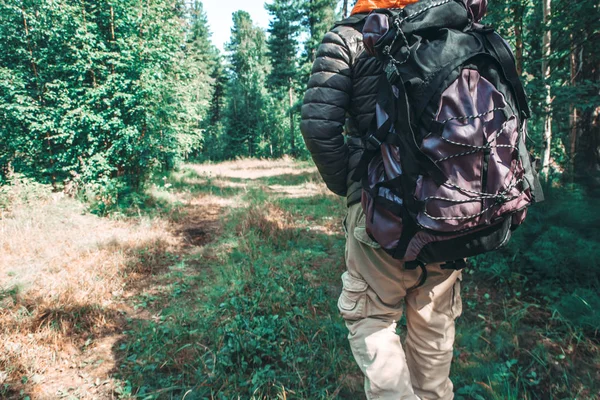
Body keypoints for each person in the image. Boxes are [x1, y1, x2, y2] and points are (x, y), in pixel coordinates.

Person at [300, 1, 464, 399]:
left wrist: (354, 188)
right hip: (444, 210)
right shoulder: (451, 32)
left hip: (377, 211)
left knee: (372, 320)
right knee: (434, 327)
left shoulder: (347, 37)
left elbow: (318, 127)